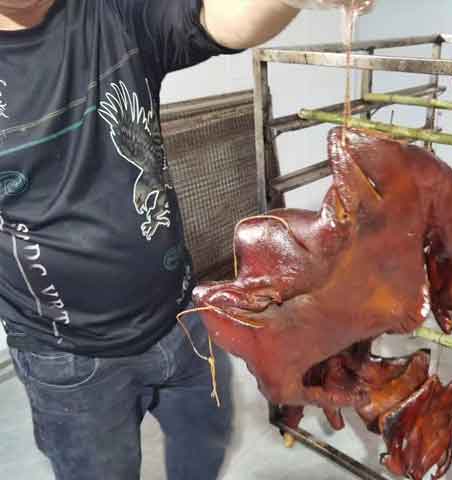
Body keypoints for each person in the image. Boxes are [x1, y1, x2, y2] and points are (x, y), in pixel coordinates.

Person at [0, 0, 370, 478]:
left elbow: (212, 18)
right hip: (68, 356)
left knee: (205, 443)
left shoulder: (108, 12)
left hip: (181, 316)